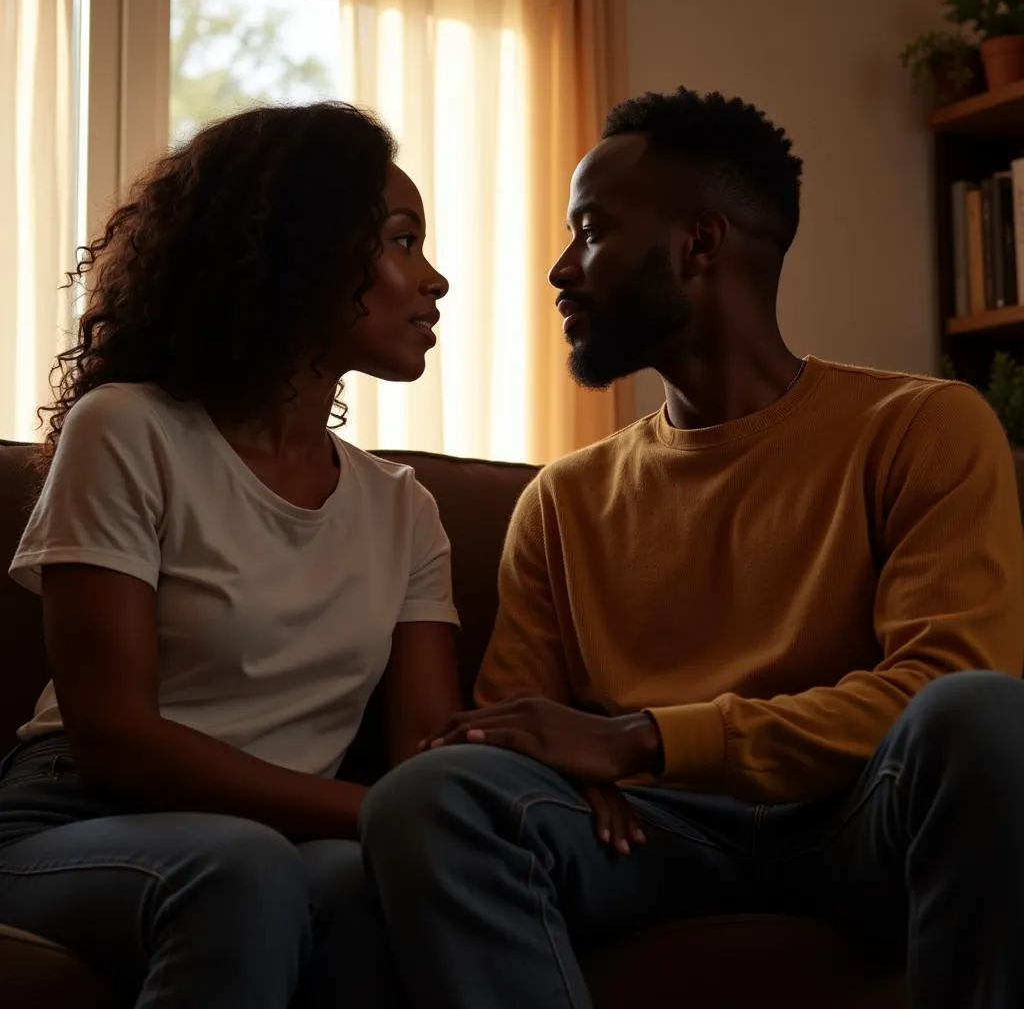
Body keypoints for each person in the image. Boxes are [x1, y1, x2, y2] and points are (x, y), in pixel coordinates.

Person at [359, 87, 1024, 1008]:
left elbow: (940, 681)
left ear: (699, 245)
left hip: (856, 821)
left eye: (589, 230)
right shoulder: (565, 499)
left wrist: (642, 739)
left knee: (984, 716)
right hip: (647, 837)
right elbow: (509, 728)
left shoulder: (923, 428)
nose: (560, 268)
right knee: (430, 799)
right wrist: (569, 762)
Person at [0, 102, 460, 1008]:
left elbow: (424, 753)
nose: (434, 280)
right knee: (247, 871)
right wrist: (385, 816)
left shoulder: (403, 509)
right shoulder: (129, 429)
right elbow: (115, 739)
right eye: (402, 241)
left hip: (272, 836)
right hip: (73, 819)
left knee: (365, 886)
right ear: (302, 251)